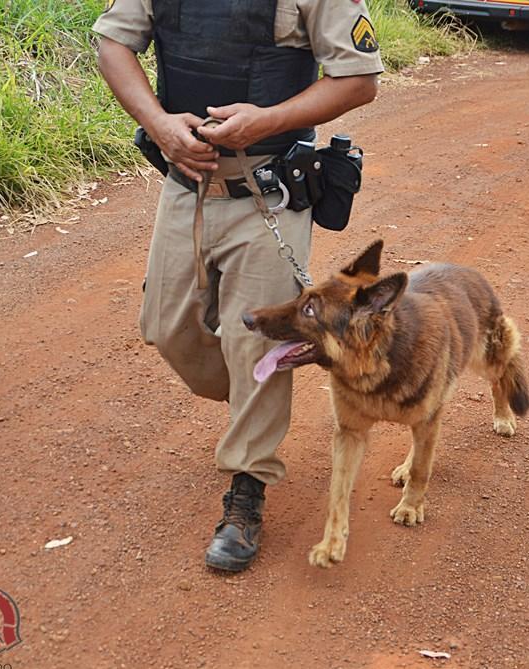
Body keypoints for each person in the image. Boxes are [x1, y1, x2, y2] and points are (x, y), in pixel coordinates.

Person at [94, 0, 383, 571]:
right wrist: (159, 125)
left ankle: (247, 489)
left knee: (257, 341)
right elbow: (112, 44)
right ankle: (252, 397)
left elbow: (359, 80)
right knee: (165, 327)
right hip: (186, 184)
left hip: (268, 192)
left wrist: (267, 120)